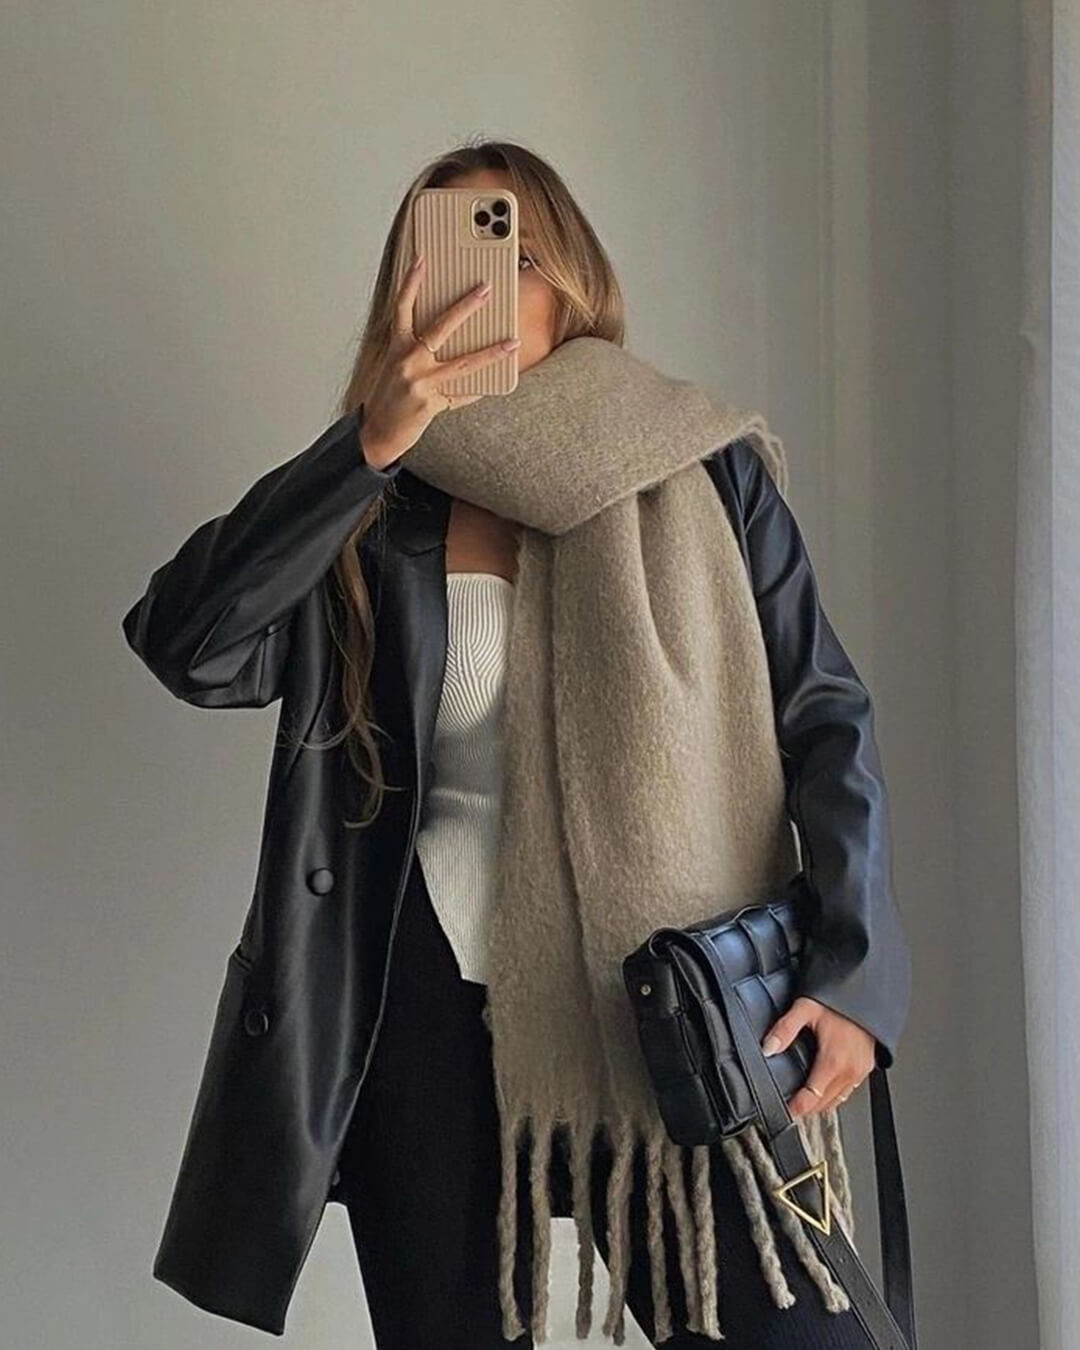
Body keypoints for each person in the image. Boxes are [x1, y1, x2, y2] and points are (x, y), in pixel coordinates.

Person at [122, 139, 910, 1350]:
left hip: (663, 1011)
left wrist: (853, 975)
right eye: (443, 260)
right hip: (424, 1019)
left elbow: (824, 714)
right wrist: (365, 448)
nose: (479, 288)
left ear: (573, 280)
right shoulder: (374, 504)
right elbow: (190, 643)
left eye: (515, 255)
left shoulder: (703, 467)